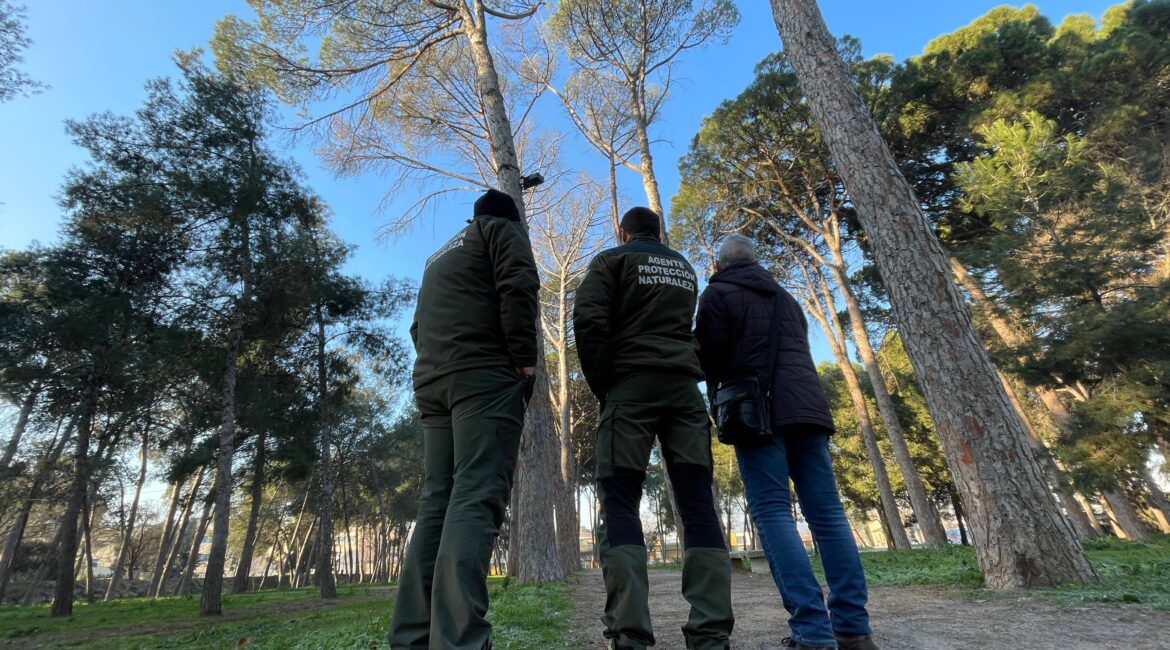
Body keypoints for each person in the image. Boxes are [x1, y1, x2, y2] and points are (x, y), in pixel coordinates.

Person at [695, 234, 879, 650]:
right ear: (755, 260)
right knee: (829, 514)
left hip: (758, 414)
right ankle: (853, 629)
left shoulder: (718, 293)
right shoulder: (787, 298)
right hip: (809, 409)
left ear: (720, 266)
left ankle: (813, 632)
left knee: (773, 511)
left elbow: (707, 356)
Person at [573, 207, 734, 650]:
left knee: (620, 499)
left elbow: (587, 320)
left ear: (623, 233)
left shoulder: (612, 261)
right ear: (657, 232)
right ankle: (711, 633)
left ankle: (629, 633)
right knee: (698, 503)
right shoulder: (683, 267)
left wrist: (605, 382)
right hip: (684, 392)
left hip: (631, 387)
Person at [389, 189, 539, 650]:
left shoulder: (439, 256)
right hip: (484, 379)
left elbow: (417, 326)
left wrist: (439, 364)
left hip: (434, 381)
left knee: (437, 500)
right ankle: (459, 641)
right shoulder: (504, 231)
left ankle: (412, 636)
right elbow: (519, 286)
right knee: (476, 495)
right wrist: (523, 360)